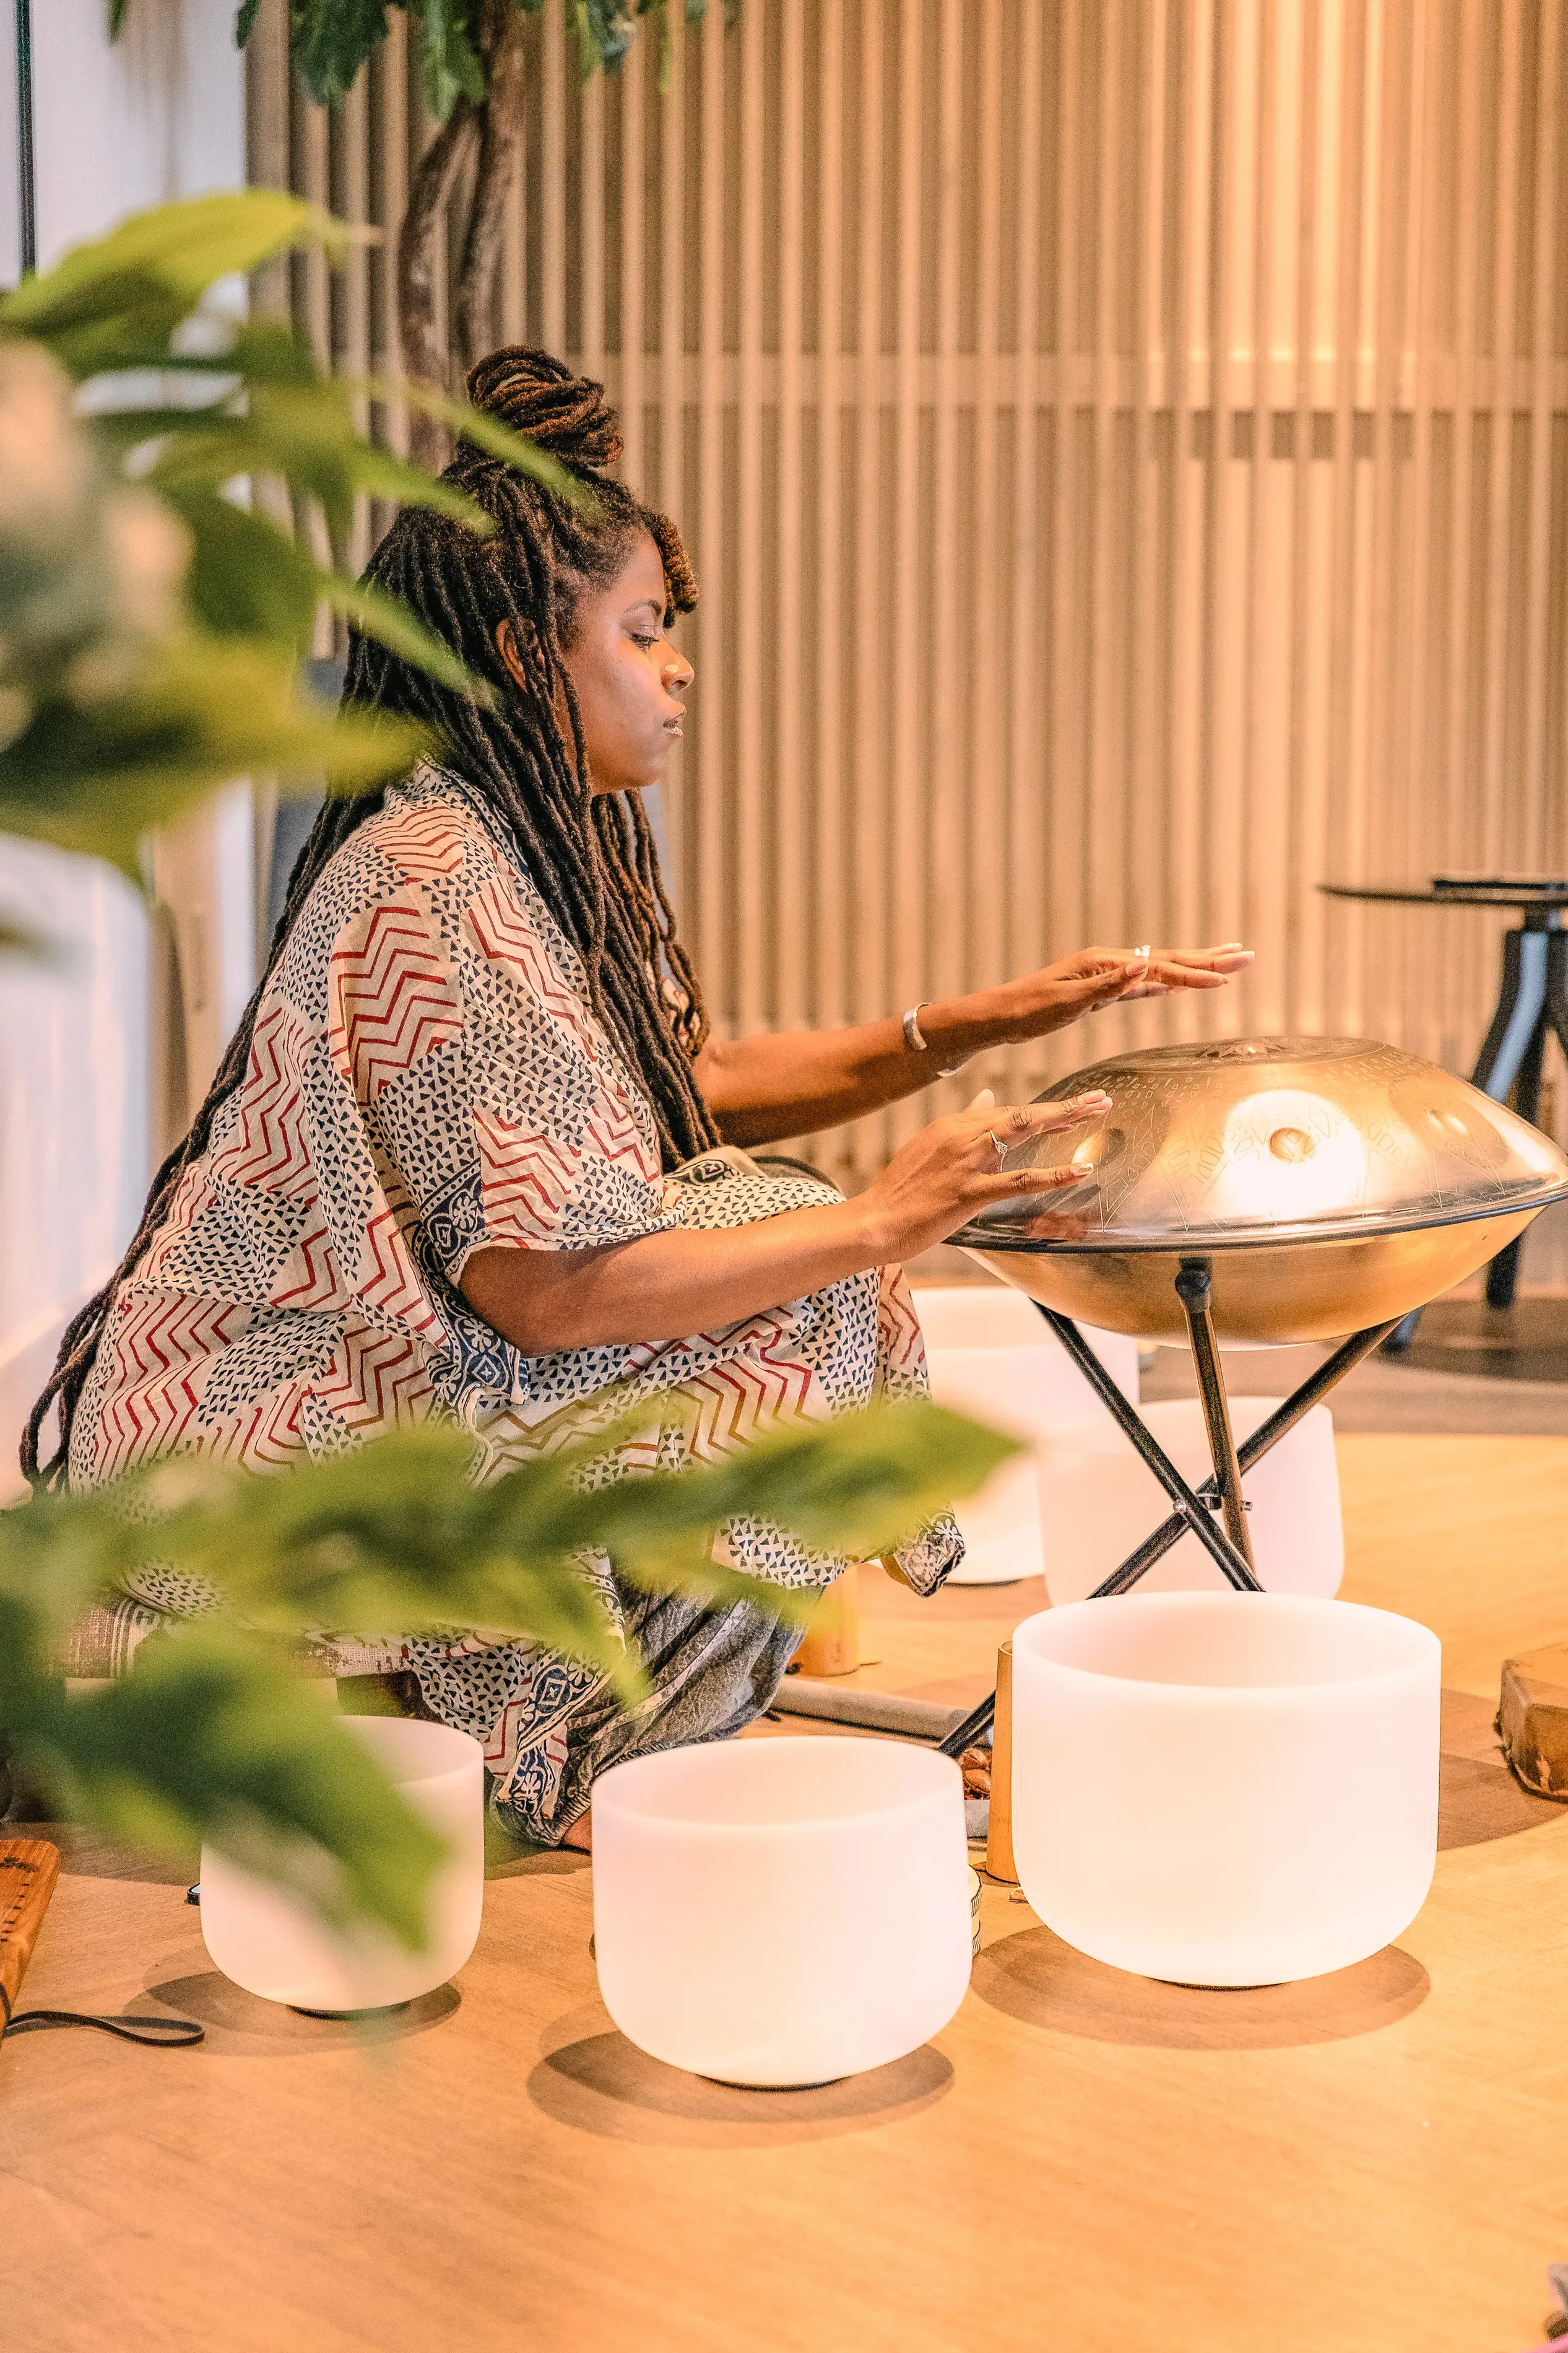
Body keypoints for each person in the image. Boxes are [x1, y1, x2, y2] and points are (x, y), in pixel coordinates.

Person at [25, 349, 1250, 1848]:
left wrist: (976, 1021)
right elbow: (544, 1293)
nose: (679, 669)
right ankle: (604, 1759)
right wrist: (882, 1221)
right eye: (643, 630)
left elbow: (689, 1082)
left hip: (374, 1368)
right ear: (529, 656)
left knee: (777, 1231)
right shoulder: (435, 879)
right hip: (245, 1425)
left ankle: (635, 1720)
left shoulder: (523, 843)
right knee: (805, 1285)